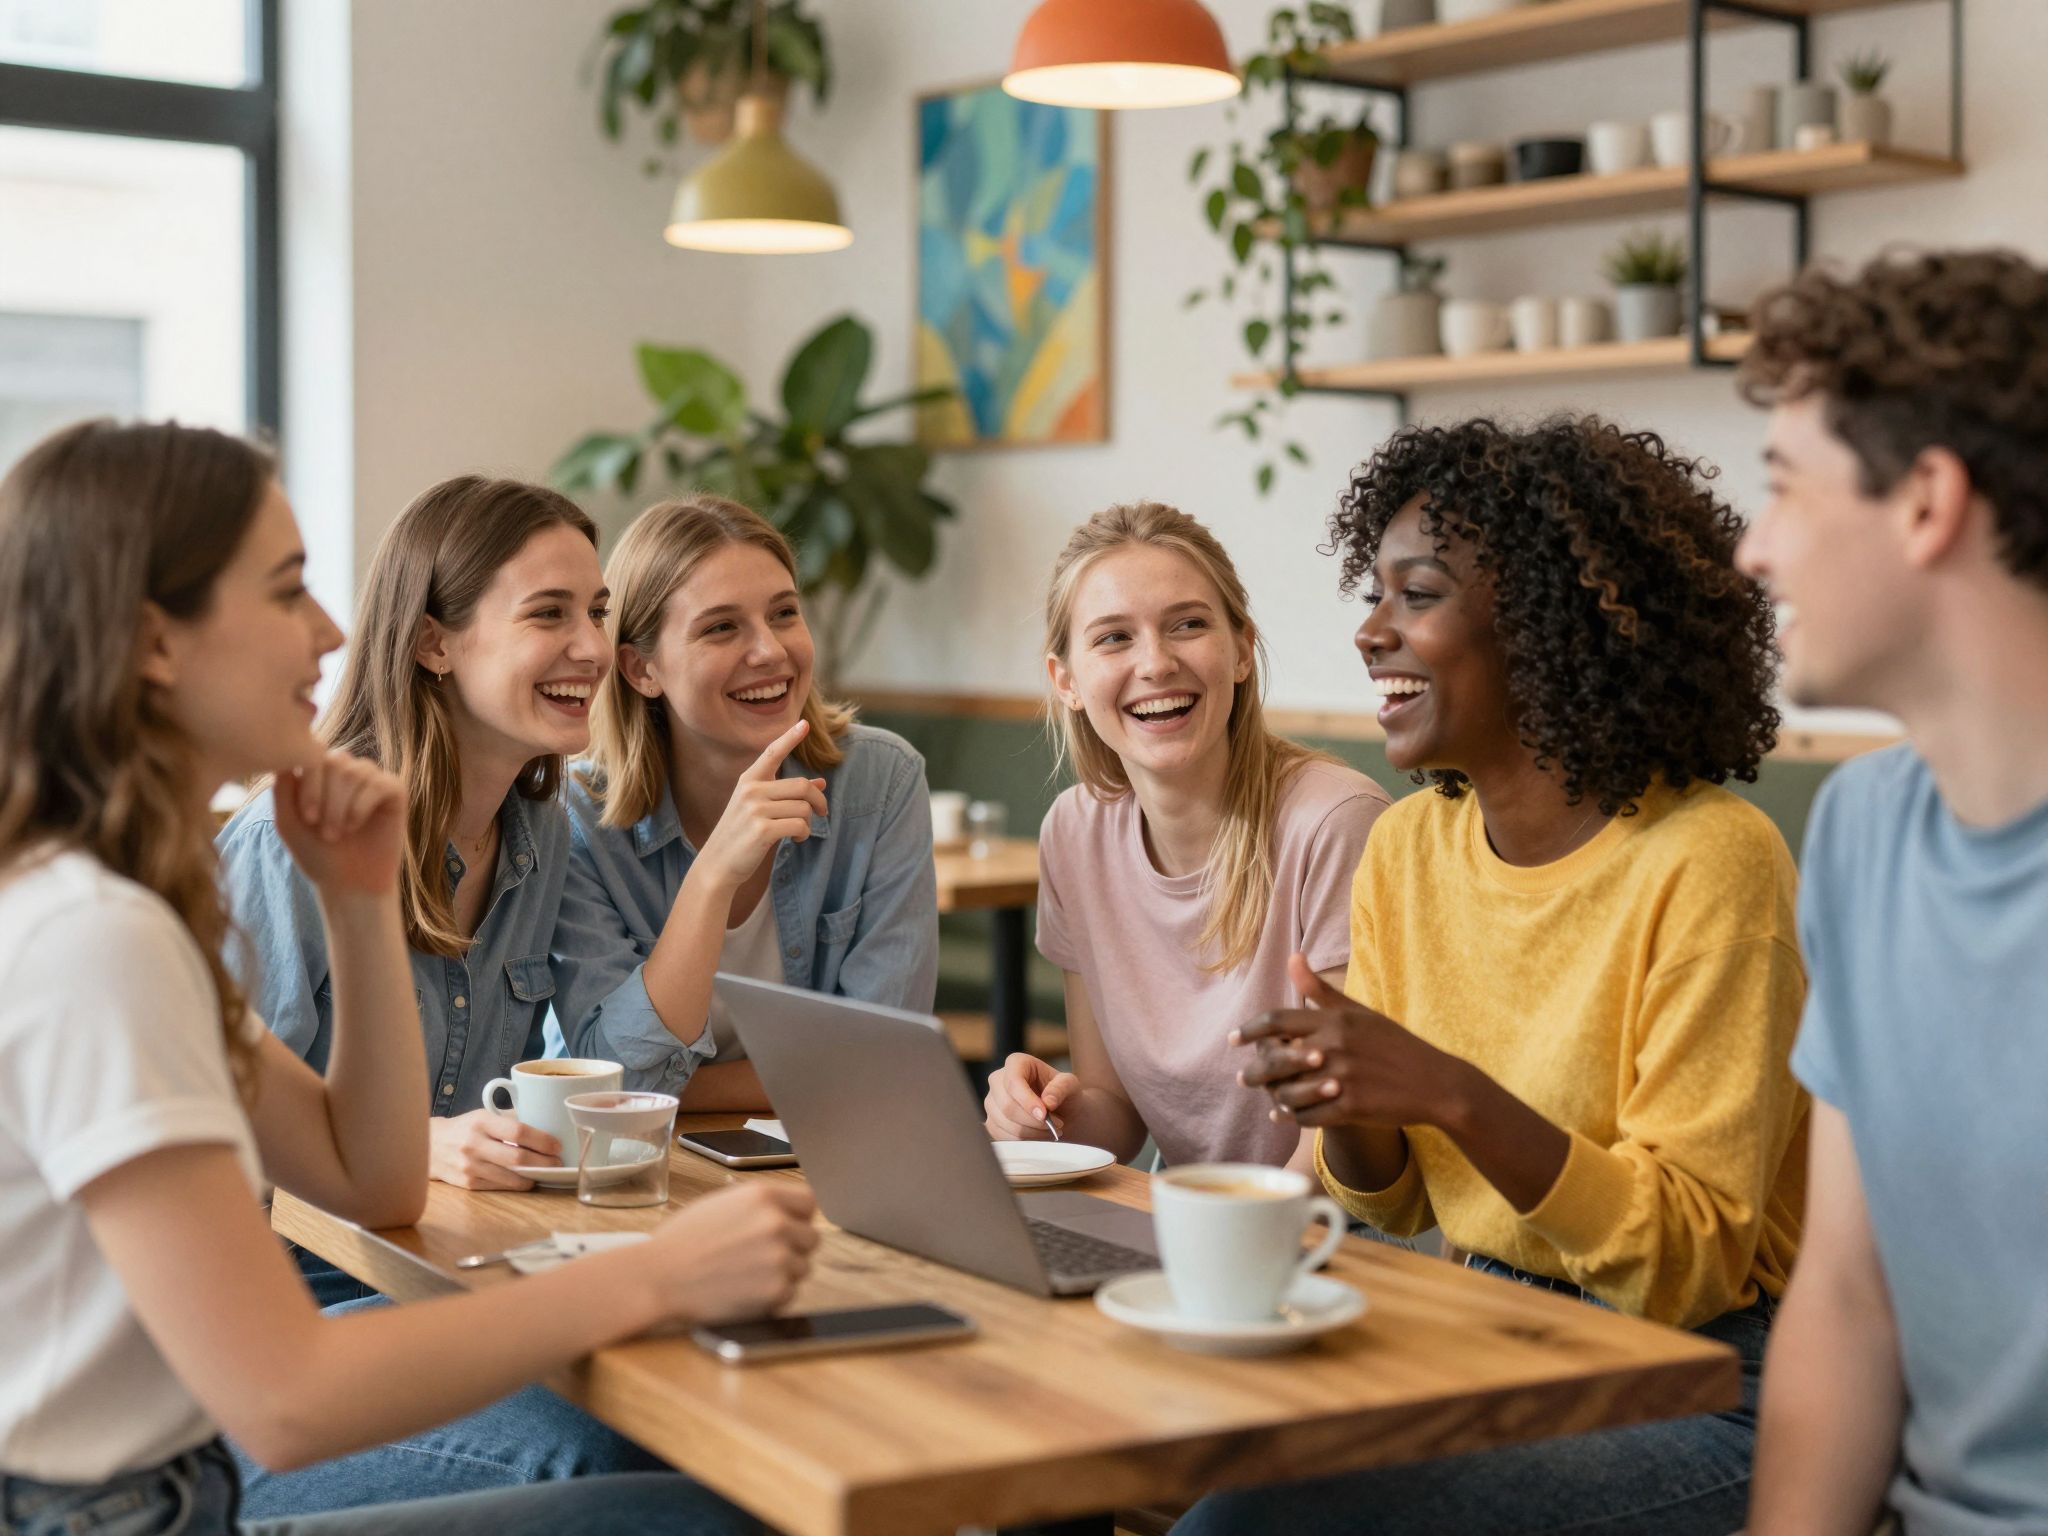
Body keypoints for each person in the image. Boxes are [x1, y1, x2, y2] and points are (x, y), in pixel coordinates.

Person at [0, 418, 815, 1536]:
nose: (333, 633)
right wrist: (659, 1276)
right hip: (123, 1506)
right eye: (287, 592)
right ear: (152, 643)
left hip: (173, 1477)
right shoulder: (92, 941)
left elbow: (371, 1187)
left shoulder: (129, 919)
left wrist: (360, 901)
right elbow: (285, 1398)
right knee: (713, 1510)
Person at [1181, 415, 1809, 1535]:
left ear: (1544, 625)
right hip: (1482, 1329)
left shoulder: (1709, 860)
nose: (1369, 631)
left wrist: (1443, 1090)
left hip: (1704, 1384)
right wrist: (1347, 1104)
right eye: (1370, 594)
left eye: (1414, 595)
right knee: (1187, 1438)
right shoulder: (1411, 848)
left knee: (1267, 1517)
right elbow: (1389, 1201)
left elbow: (1690, 1264)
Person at [211, 476, 703, 1509]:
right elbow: (227, 1160)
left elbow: (627, 1068)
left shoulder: (543, 826)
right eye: (547, 614)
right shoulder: (288, 845)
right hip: (280, 1342)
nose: (591, 647)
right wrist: (402, 1148)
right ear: (435, 643)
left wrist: (716, 879)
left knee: (703, 1415)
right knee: (632, 1455)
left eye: (598, 613)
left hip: (446, 1283)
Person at [1737, 250, 2048, 1535]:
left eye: (1780, 490)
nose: (1750, 551)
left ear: (1924, 501)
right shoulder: (1861, 832)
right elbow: (1847, 1295)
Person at [982, 502, 1389, 1170]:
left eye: (1188, 625)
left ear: (1239, 651)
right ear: (1067, 681)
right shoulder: (1073, 833)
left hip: (1327, 1238)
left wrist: (1216, 1235)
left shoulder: (1334, 821)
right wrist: (1044, 1116)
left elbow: (1344, 1142)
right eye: (1114, 638)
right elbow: (1114, 1117)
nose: (1157, 662)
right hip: (1187, 1223)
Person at [555, 494, 937, 1109]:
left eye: (784, 613)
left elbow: (884, 1060)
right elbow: (614, 1082)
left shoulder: (880, 781)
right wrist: (710, 879)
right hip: (629, 1166)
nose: (770, 651)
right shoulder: (575, 819)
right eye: (721, 627)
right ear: (639, 669)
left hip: (814, 1158)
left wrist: (685, 1090)